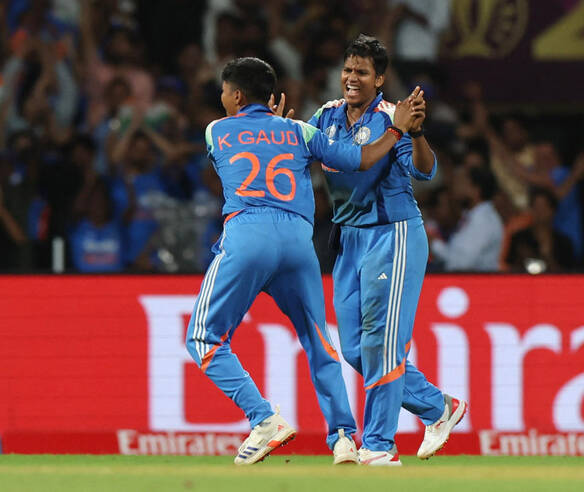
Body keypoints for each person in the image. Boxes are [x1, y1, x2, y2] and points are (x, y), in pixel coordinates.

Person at [184, 56, 422, 465]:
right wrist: (397, 130)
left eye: (224, 91)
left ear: (236, 96)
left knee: (203, 338)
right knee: (318, 342)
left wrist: (267, 129)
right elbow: (362, 159)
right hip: (298, 240)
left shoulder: (215, 129)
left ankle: (263, 419)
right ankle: (344, 437)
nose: (221, 98)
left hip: (248, 234)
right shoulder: (301, 131)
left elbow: (239, 151)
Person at [308, 34, 467, 466]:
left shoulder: (390, 117)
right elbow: (299, 149)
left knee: (382, 342)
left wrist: (416, 133)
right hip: (347, 239)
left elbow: (425, 170)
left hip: (392, 235)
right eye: (348, 69)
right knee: (355, 349)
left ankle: (379, 443)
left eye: (362, 71)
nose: (351, 77)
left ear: (379, 79)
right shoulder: (325, 116)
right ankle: (439, 407)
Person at [432, 166, 504, 271]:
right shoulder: (471, 216)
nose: (454, 187)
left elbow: (461, 264)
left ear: (476, 190)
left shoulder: (483, 220)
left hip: (476, 280)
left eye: (461, 183)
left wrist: (433, 243)